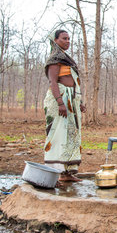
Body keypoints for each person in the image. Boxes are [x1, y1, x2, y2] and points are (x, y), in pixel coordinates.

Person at [43, 29, 86, 182]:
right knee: (58, 135)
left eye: (69, 38)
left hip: (71, 100)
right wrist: (60, 102)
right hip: (59, 100)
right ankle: (55, 173)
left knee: (71, 135)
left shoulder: (66, 58)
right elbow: (53, 82)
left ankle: (67, 174)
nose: (67, 41)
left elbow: (73, 81)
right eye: (64, 38)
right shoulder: (55, 58)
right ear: (55, 40)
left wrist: (78, 102)